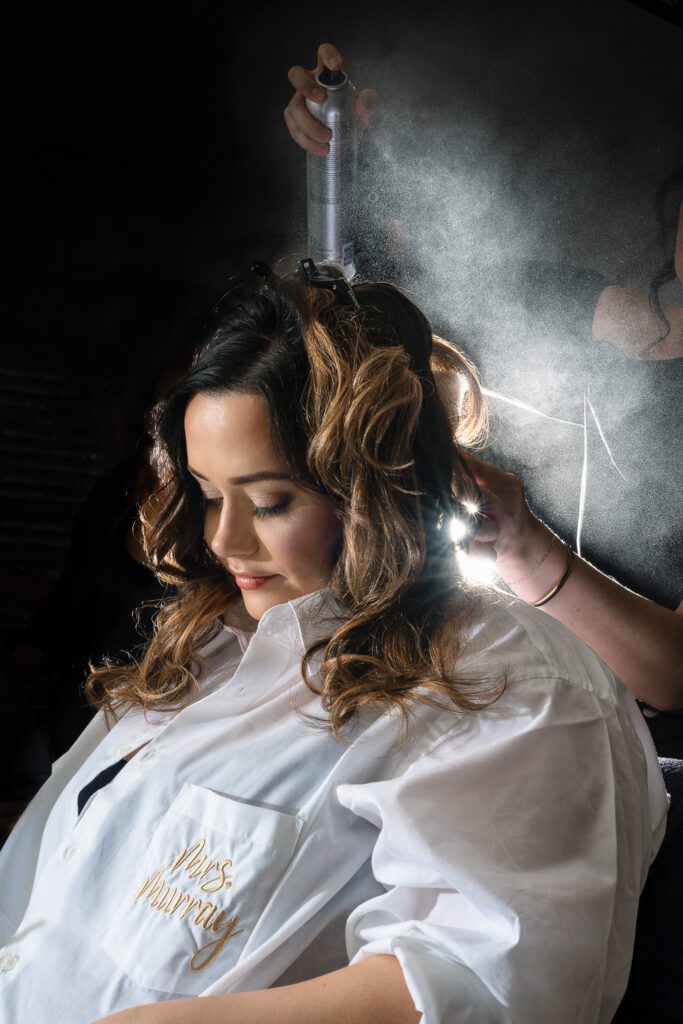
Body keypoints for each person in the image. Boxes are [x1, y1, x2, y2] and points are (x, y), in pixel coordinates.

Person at [0, 264, 668, 1023]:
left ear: (372, 484)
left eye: (270, 500)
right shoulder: (210, 652)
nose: (224, 539)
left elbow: (482, 984)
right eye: (210, 495)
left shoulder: (509, 683)